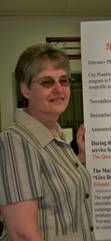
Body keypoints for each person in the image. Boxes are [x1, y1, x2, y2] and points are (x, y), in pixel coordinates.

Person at [0, 43, 94, 241]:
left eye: (64, 80)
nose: (59, 89)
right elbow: (23, 234)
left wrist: (81, 159)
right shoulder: (15, 140)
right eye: (47, 82)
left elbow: (57, 194)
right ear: (25, 89)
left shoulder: (56, 136)